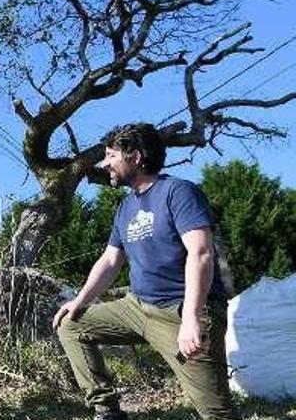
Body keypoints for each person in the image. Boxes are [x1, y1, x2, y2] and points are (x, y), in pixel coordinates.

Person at [53, 123, 238, 420]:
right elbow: (110, 260)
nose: (105, 163)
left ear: (135, 157)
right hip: (137, 307)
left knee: (217, 414)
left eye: (111, 155)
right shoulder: (126, 207)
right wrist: (80, 301)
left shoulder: (178, 192)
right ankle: (107, 411)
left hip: (182, 311)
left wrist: (191, 318)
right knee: (71, 324)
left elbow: (201, 253)